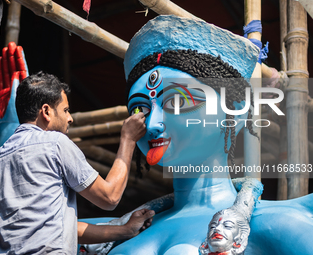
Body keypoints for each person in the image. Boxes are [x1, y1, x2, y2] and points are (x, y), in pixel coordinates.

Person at [101, 15, 313, 255]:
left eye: (178, 101)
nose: (151, 124)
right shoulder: (106, 232)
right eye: (139, 109)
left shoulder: (280, 225)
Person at [0, 43, 154, 254]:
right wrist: (128, 140)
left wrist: (125, 230)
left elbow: (62, 228)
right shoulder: (54, 143)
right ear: (46, 111)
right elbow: (110, 197)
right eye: (65, 110)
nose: (70, 118)